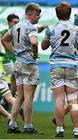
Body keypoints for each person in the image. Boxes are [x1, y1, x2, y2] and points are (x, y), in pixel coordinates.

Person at [41, 2, 78, 138]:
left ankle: (60, 130)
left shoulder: (51, 29)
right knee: (73, 100)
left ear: (56, 13)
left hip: (57, 67)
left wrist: (50, 41)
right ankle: (77, 130)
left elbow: (43, 46)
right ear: (70, 13)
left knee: (59, 100)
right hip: (72, 66)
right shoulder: (77, 30)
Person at [2, 3, 42, 134]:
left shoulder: (16, 26)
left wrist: (14, 51)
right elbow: (34, 42)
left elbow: (4, 39)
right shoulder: (31, 27)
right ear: (30, 14)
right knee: (29, 97)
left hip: (18, 63)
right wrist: (35, 54)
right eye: (37, 14)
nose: (39, 17)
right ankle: (28, 126)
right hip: (29, 64)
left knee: (20, 96)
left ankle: (12, 125)